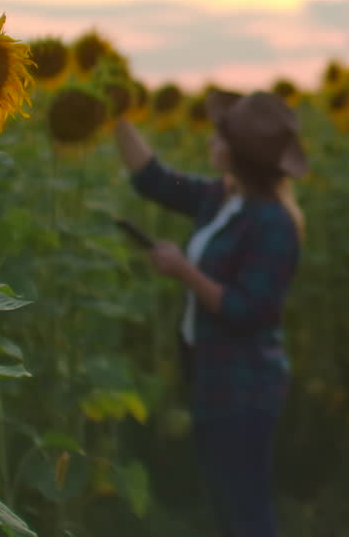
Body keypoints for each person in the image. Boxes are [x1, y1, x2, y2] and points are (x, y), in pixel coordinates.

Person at [114, 89, 307, 537]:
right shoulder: (222, 198)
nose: (210, 141)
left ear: (238, 154)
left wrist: (184, 271)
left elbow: (248, 310)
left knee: (245, 509)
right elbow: (154, 181)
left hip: (244, 384)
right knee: (227, 503)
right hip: (211, 376)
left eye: (219, 136)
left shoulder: (274, 223)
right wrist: (117, 118)